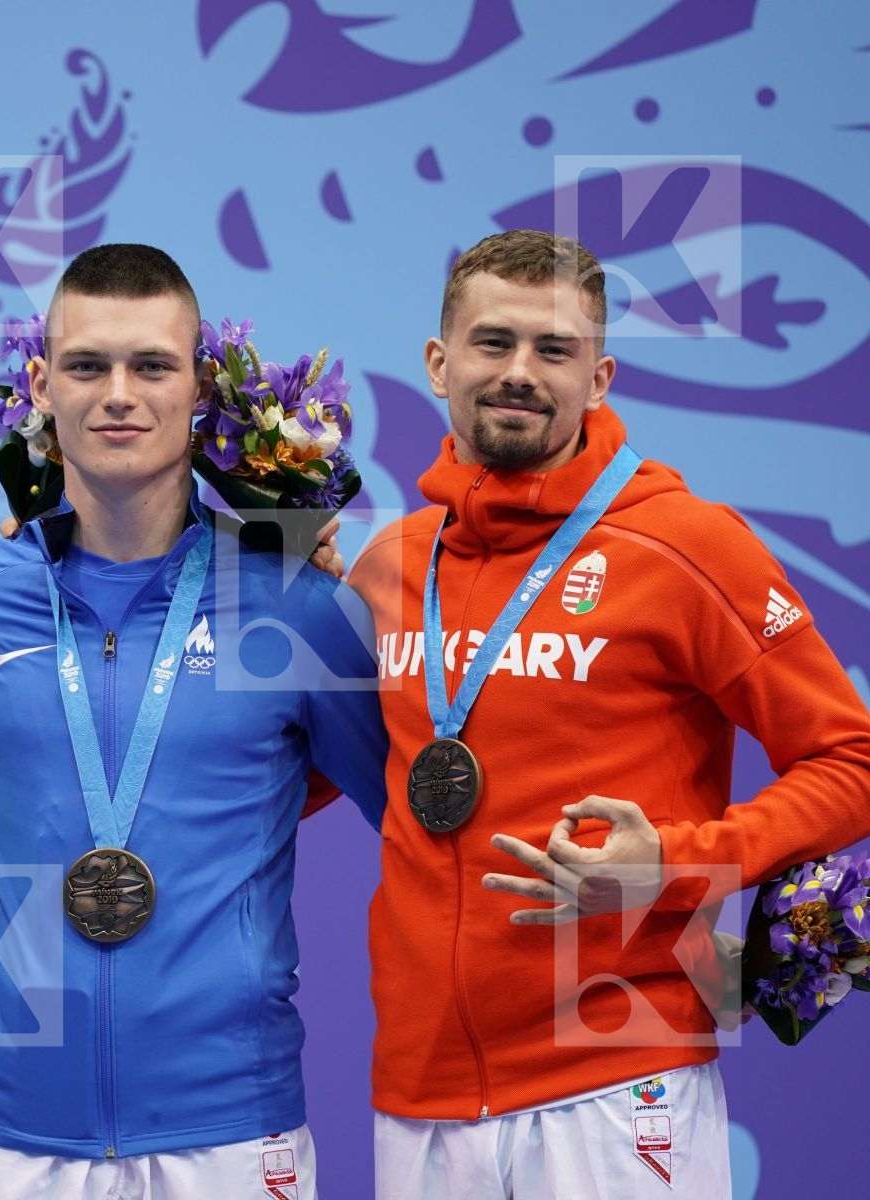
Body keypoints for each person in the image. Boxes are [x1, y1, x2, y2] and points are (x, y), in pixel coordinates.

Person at [348, 229, 870, 1199]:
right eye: (493, 342)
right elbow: (285, 771)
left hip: (620, 1076)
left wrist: (675, 864)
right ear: (438, 363)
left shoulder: (685, 545)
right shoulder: (391, 567)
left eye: (554, 350)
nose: (519, 371)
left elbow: (852, 759)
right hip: (422, 1094)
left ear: (598, 379)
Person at [0, 243, 389, 1198]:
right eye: (86, 365)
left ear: (202, 392)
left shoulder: (294, 609)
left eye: (151, 366)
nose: (118, 395)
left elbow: (425, 824)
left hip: (231, 1129)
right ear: (40, 384)